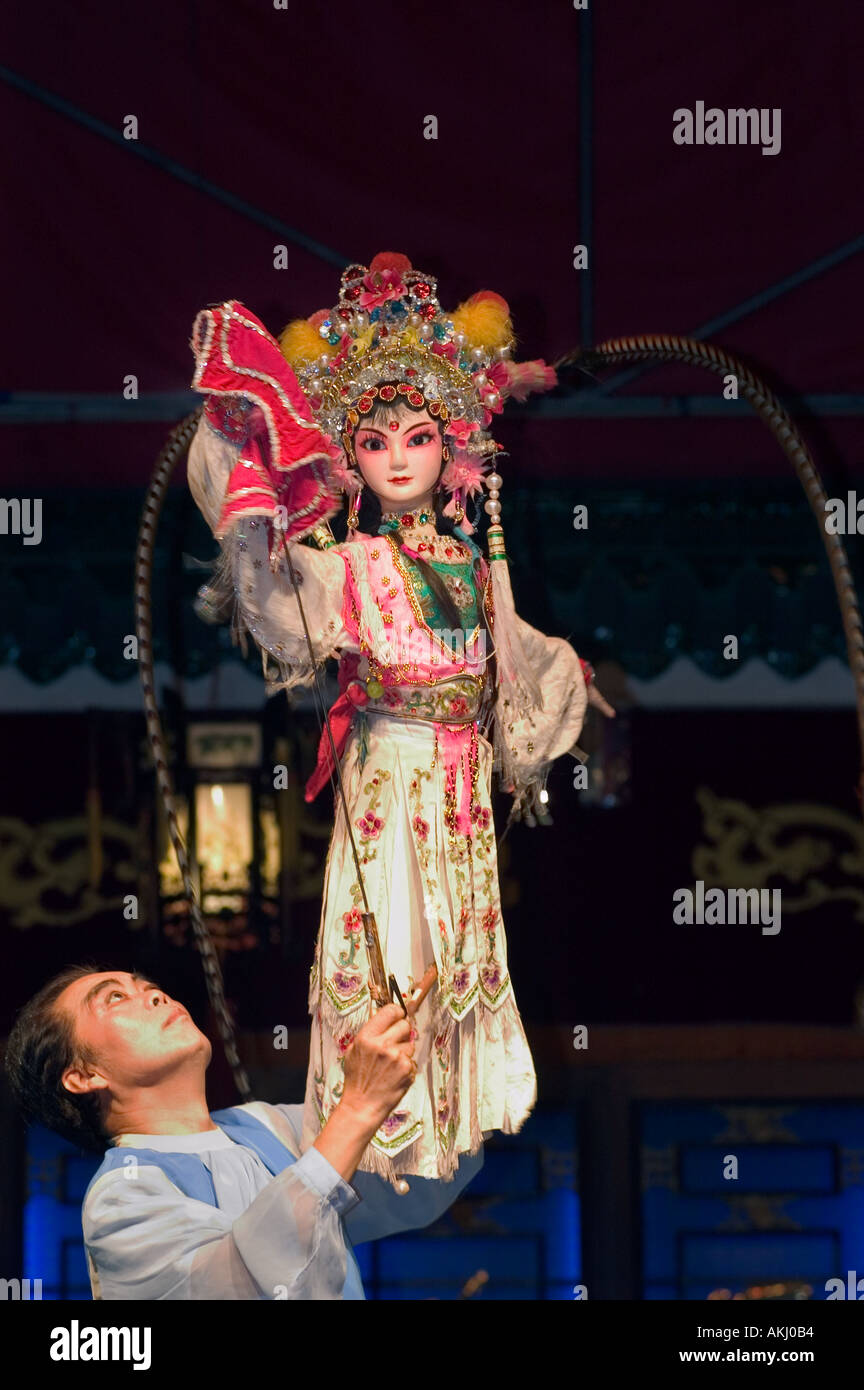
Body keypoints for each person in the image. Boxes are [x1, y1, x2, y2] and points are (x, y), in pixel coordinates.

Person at [187, 253, 614, 1184]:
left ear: (449, 443)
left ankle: (451, 1111)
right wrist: (249, 483)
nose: (395, 458)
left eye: (416, 437)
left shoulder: (468, 558)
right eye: (373, 444)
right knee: (387, 942)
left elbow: (509, 642)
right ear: (349, 454)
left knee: (459, 949)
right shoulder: (351, 566)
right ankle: (376, 1130)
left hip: (459, 778)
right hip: (391, 769)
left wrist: (559, 675)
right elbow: (273, 594)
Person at [4, 965, 482, 1300]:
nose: (154, 994)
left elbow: (417, 1173)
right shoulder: (122, 1198)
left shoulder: (264, 1125)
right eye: (115, 998)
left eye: (145, 984)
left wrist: (445, 1028)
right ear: (84, 1076)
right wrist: (356, 1107)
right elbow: (242, 1283)